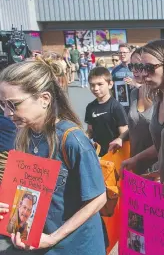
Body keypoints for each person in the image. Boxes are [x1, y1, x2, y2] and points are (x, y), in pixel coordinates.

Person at [0, 60, 107, 254]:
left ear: (44, 98)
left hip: (76, 247)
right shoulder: (23, 136)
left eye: (13, 105)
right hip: (38, 244)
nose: (7, 113)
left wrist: (52, 239)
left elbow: (99, 198)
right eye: (3, 105)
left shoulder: (72, 139)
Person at [121, 40, 164, 193]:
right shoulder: (159, 98)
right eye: (141, 68)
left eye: (149, 68)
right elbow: (163, 146)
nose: (143, 74)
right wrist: (137, 159)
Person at [85, 67, 129, 157]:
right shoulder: (90, 107)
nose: (95, 88)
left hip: (114, 154)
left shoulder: (116, 107)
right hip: (97, 154)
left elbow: (124, 133)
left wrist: (120, 139)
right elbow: (90, 131)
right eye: (92, 85)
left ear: (110, 84)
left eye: (100, 84)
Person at [126, 48, 154, 174]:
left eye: (138, 65)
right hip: (135, 164)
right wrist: (121, 138)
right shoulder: (133, 93)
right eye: (131, 66)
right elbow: (136, 124)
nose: (134, 70)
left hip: (157, 168)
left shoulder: (161, 96)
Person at [111, 44, 134, 114]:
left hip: (135, 103)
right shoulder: (115, 70)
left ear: (130, 53)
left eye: (124, 52)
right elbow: (111, 87)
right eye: (120, 53)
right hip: (121, 104)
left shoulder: (137, 68)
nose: (122, 54)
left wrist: (133, 82)